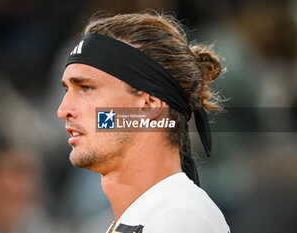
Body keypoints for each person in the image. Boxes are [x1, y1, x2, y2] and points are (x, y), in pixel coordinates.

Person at [57, 11, 230, 233]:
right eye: (66, 89)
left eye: (86, 88)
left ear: (149, 105)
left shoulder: (181, 219)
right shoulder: (154, 215)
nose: (63, 110)